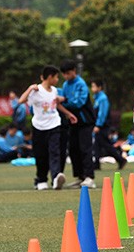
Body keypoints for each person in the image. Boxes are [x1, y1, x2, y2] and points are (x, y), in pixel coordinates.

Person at [19, 65, 76, 190]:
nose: (57, 80)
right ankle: (41, 179)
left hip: (54, 125)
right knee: (41, 154)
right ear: (50, 77)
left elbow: (56, 105)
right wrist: (30, 88)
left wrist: (69, 114)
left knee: (55, 152)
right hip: (39, 127)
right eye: (56, 77)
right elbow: (21, 101)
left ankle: (56, 178)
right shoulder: (36, 91)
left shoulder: (54, 90)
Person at [59, 59, 96, 188]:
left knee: (85, 148)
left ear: (74, 71)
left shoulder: (81, 84)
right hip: (72, 122)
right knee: (73, 149)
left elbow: (79, 102)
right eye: (64, 74)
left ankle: (89, 177)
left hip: (85, 121)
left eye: (68, 73)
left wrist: (64, 100)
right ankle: (80, 177)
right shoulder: (65, 85)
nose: (66, 76)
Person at [91, 79, 126, 171]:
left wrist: (98, 125)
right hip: (100, 125)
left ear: (99, 87)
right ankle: (96, 164)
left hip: (103, 126)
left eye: (94, 86)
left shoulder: (102, 98)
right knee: (97, 145)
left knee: (105, 144)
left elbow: (102, 113)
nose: (92, 88)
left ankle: (120, 159)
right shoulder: (97, 98)